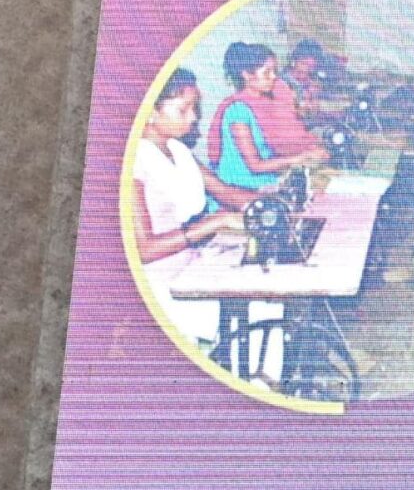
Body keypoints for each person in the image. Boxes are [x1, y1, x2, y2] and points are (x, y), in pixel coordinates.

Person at [129, 70, 265, 345]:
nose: (193, 117)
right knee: (262, 311)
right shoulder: (133, 164)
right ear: (150, 112)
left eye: (194, 108)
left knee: (266, 288)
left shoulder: (178, 151)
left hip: (188, 266)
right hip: (156, 288)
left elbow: (224, 191)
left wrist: (276, 205)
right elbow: (142, 250)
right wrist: (215, 222)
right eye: (184, 109)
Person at [207, 42, 327, 190]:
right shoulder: (237, 110)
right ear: (247, 75)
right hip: (240, 185)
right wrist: (302, 157)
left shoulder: (267, 103)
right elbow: (255, 165)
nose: (273, 76)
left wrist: (310, 149)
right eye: (267, 72)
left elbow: (282, 141)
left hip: (266, 179)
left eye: (274, 71)